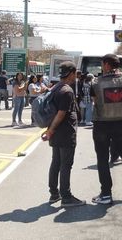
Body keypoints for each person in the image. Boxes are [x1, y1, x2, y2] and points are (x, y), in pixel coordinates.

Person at [90, 54, 122, 204]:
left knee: (103, 158)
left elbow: (95, 101)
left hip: (102, 123)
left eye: (102, 64)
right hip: (121, 122)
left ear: (106, 64)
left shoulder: (96, 82)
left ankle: (106, 194)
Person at [41, 62, 85, 207]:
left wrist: (50, 130)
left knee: (56, 162)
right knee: (66, 165)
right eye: (75, 73)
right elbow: (61, 114)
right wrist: (51, 130)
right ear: (72, 73)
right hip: (65, 132)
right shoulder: (67, 91)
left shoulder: (56, 87)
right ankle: (66, 197)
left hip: (56, 132)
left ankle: (54, 194)